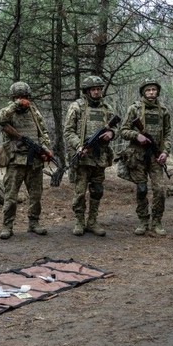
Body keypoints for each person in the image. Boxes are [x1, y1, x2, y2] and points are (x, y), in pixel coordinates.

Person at [0, 81, 53, 239]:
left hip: (34, 162)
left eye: (25, 97)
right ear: (14, 98)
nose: (23, 100)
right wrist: (15, 105)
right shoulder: (9, 112)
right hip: (15, 161)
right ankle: (7, 226)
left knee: (36, 195)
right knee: (10, 197)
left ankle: (34, 223)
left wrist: (46, 147)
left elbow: (43, 132)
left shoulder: (34, 112)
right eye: (19, 97)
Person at [63, 75, 117, 236]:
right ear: (87, 91)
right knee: (80, 192)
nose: (96, 92)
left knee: (97, 190)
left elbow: (116, 128)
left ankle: (92, 221)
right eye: (93, 89)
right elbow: (68, 131)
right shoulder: (77, 107)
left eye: (99, 89)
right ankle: (79, 221)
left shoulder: (107, 108)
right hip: (82, 156)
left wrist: (111, 134)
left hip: (100, 157)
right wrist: (79, 146)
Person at [118, 78, 171, 236]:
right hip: (137, 156)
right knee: (141, 189)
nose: (151, 93)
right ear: (143, 92)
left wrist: (165, 152)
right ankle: (143, 221)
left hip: (155, 156)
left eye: (154, 90)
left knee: (160, 190)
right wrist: (137, 136)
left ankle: (157, 221)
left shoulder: (164, 111)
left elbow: (167, 134)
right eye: (148, 90)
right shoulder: (134, 109)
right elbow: (123, 130)